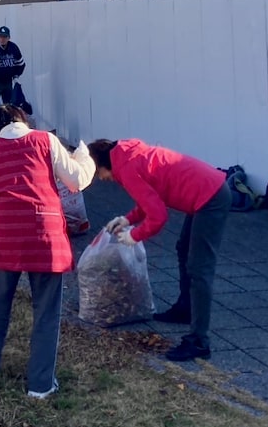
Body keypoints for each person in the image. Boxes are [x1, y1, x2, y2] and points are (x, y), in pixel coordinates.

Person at [0, 105, 95, 395]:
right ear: (22, 120)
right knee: (46, 311)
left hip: (5, 236)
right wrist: (84, 156)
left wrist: (1, 220)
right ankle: (40, 384)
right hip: (45, 236)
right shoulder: (45, 141)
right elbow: (76, 180)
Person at [86, 138, 232, 362]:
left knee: (199, 268)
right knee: (183, 248)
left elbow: (158, 217)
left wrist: (134, 236)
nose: (101, 180)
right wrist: (127, 219)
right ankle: (186, 309)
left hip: (210, 197)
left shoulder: (127, 169)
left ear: (101, 164)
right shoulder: (127, 157)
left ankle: (199, 341)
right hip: (207, 190)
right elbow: (151, 198)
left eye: (97, 174)